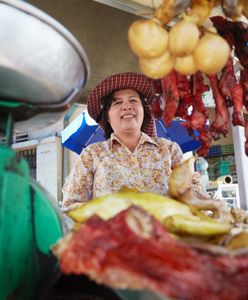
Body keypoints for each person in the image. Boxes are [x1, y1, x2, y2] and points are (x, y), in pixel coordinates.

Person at [62, 72, 207, 209]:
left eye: (133, 100)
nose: (127, 106)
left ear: (144, 110)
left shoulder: (168, 149)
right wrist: (105, 212)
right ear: (107, 116)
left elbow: (196, 190)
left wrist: (184, 196)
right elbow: (71, 205)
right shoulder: (92, 155)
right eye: (117, 103)